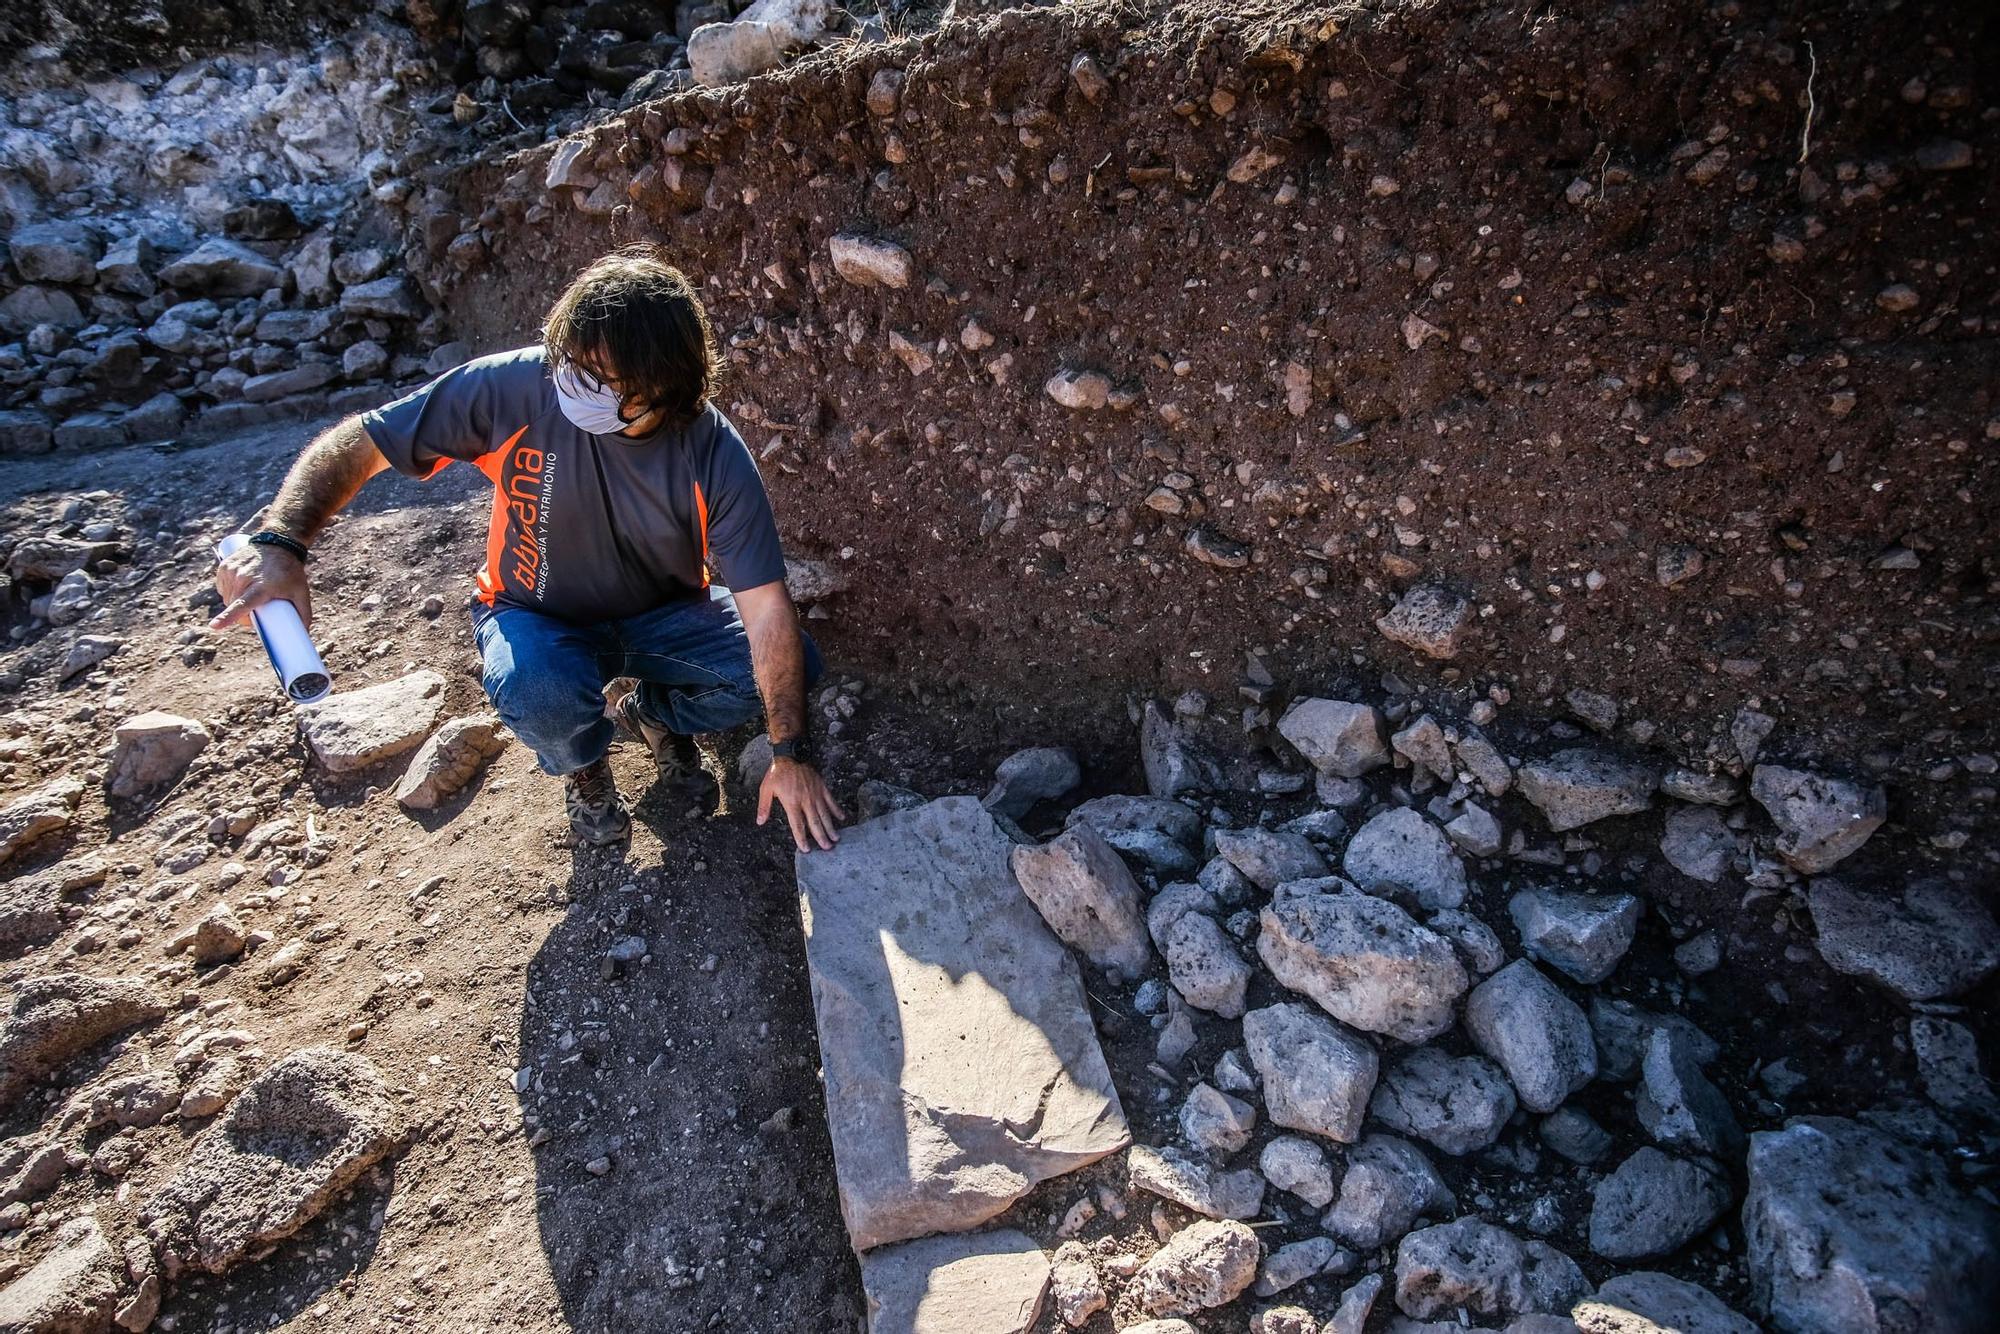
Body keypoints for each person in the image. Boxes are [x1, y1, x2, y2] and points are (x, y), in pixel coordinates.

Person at [211, 244, 846, 852]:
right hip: (533, 615)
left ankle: (647, 713)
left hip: (662, 617)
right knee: (539, 690)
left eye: (600, 380)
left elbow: (765, 611)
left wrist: (789, 754)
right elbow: (364, 442)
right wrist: (282, 541)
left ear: (661, 393)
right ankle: (585, 764)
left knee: (782, 672)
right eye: (569, 361)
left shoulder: (711, 454)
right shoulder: (518, 387)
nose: (571, 386)